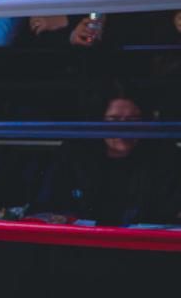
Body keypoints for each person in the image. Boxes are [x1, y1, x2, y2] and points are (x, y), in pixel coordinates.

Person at [29, 89, 181, 226]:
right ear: (100, 122)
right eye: (114, 121)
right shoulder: (74, 156)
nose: (124, 130)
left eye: (133, 121)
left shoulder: (163, 160)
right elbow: (48, 205)